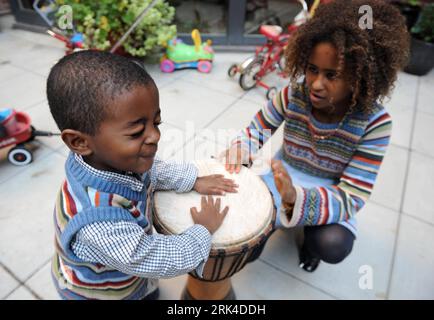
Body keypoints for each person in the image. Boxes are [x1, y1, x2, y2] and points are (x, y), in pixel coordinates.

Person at [223, 0, 409, 272]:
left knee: (332, 244)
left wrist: (295, 198)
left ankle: (308, 243)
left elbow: (352, 196)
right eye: (312, 69)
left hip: (329, 190)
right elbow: (255, 132)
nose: (316, 84)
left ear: (361, 77)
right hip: (281, 176)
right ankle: (276, 219)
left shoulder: (375, 123)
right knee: (245, 250)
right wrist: (241, 149)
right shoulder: (292, 95)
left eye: (332, 75)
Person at [47, 50, 239, 300]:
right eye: (137, 132)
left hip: (127, 272)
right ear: (79, 142)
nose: (155, 136)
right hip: (103, 293)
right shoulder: (100, 222)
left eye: (156, 123)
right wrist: (202, 230)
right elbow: (155, 258)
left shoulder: (108, 159)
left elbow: (153, 170)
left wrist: (193, 180)